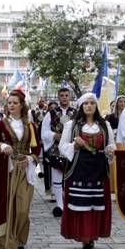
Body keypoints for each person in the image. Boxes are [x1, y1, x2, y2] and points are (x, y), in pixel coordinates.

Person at [0, 90, 41, 249]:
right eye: (9, 103)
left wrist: (30, 159)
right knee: (7, 206)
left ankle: (19, 239)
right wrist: (2, 146)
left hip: (24, 170)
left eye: (15, 103)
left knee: (22, 209)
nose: (11, 105)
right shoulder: (0, 124)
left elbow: (37, 148)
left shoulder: (30, 126)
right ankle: (4, 242)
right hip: (7, 169)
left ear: (21, 105)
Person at [59, 93, 116, 249]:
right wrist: (75, 145)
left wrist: (110, 150)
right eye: (86, 103)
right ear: (81, 107)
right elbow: (62, 147)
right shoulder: (72, 125)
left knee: (95, 204)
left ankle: (91, 237)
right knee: (81, 203)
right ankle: (85, 238)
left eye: (92, 103)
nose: (89, 106)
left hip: (98, 170)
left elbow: (111, 146)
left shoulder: (105, 125)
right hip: (79, 169)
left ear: (96, 106)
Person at [41, 87, 75, 217]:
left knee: (71, 176)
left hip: (71, 148)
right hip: (56, 148)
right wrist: (54, 135)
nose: (64, 97)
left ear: (69, 97)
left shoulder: (76, 113)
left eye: (66, 95)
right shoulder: (51, 113)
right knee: (57, 175)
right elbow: (44, 131)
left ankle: (70, 204)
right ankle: (60, 205)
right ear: (58, 97)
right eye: (62, 95)